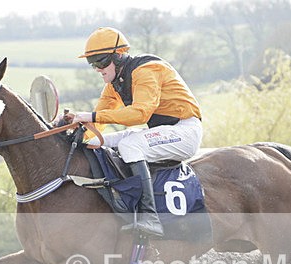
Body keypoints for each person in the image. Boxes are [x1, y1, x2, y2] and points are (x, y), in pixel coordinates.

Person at [69, 27, 203, 237]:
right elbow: (99, 119)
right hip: (165, 132)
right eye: (92, 63)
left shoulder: (146, 70)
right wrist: (77, 134)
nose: (98, 69)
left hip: (185, 131)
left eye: (101, 61)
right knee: (97, 142)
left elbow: (140, 113)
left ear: (119, 56)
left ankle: (150, 217)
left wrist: (91, 117)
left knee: (129, 144)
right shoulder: (115, 83)